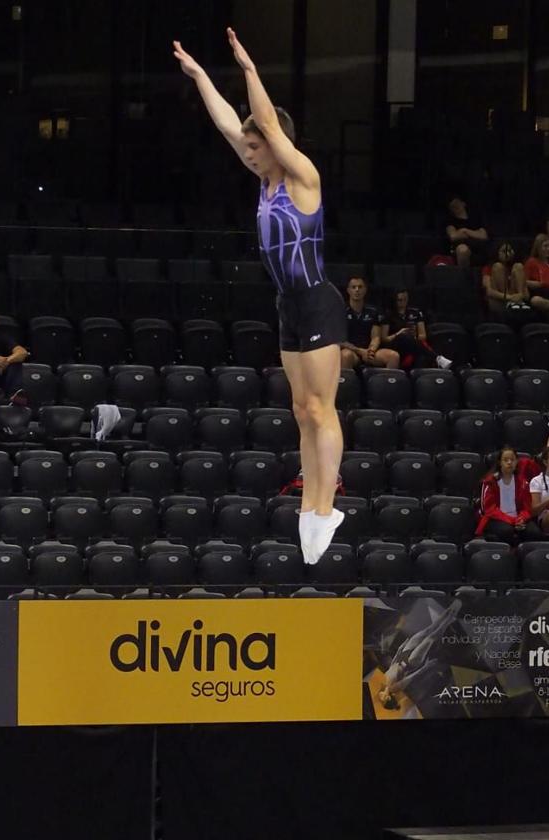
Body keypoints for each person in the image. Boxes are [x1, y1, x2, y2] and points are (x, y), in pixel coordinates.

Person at [175, 30, 345, 563]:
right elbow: (231, 124)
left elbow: (262, 122)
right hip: (287, 305)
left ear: (275, 144)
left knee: (322, 409)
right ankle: (308, 504)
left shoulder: (302, 178)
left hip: (317, 299)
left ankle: (324, 506)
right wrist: (202, 75)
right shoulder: (265, 182)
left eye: (255, 148)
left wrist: (250, 70)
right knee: (300, 408)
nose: (247, 154)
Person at [377, 599, 463, 712]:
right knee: (431, 637)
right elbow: (410, 678)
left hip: (403, 655)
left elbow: (393, 665)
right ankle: (451, 616)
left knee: (428, 630)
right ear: (388, 698)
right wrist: (426, 666)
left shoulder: (385, 680)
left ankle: (449, 611)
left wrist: (399, 649)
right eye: (383, 700)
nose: (381, 698)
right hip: (410, 663)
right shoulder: (395, 689)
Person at [475, 446, 541, 544]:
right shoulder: (490, 481)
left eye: (512, 460)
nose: (509, 463)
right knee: (507, 531)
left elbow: (526, 507)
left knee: (534, 532)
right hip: (496, 518)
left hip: (517, 518)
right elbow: (489, 509)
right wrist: (512, 521)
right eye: (506, 460)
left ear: (516, 462)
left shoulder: (523, 482)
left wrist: (521, 518)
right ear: (499, 462)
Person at [381, 288, 452, 370]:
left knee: (418, 352)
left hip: (414, 343)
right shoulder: (388, 315)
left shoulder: (415, 313)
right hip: (396, 345)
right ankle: (437, 358)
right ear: (394, 300)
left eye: (405, 299)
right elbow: (384, 339)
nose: (403, 302)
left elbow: (423, 335)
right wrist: (399, 333)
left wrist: (415, 336)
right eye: (400, 300)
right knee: (404, 337)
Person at [340, 276, 400, 370]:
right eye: (354, 287)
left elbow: (376, 337)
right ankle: (347, 384)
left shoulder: (373, 311)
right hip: (351, 350)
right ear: (348, 290)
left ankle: (389, 382)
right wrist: (359, 351)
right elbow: (339, 340)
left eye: (360, 287)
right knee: (345, 355)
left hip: (368, 351)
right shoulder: (340, 311)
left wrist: (371, 350)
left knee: (393, 356)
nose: (357, 290)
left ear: (365, 290)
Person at [482, 241, 531, 320]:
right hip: (499, 299)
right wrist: (509, 297)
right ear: (497, 252)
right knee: (498, 267)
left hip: (517, 302)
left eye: (510, 250)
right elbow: (489, 291)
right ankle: (510, 303)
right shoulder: (488, 268)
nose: (508, 254)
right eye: (504, 251)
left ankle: (514, 303)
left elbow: (527, 295)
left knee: (518, 266)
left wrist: (520, 295)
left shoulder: (517, 268)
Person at [443, 194, 489, 267]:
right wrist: (474, 234)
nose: (455, 206)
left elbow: (483, 235)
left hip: (478, 249)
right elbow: (453, 236)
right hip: (460, 250)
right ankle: (464, 276)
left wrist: (465, 231)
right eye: (452, 206)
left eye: (457, 203)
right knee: (462, 249)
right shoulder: (451, 221)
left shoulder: (475, 219)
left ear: (463, 203)